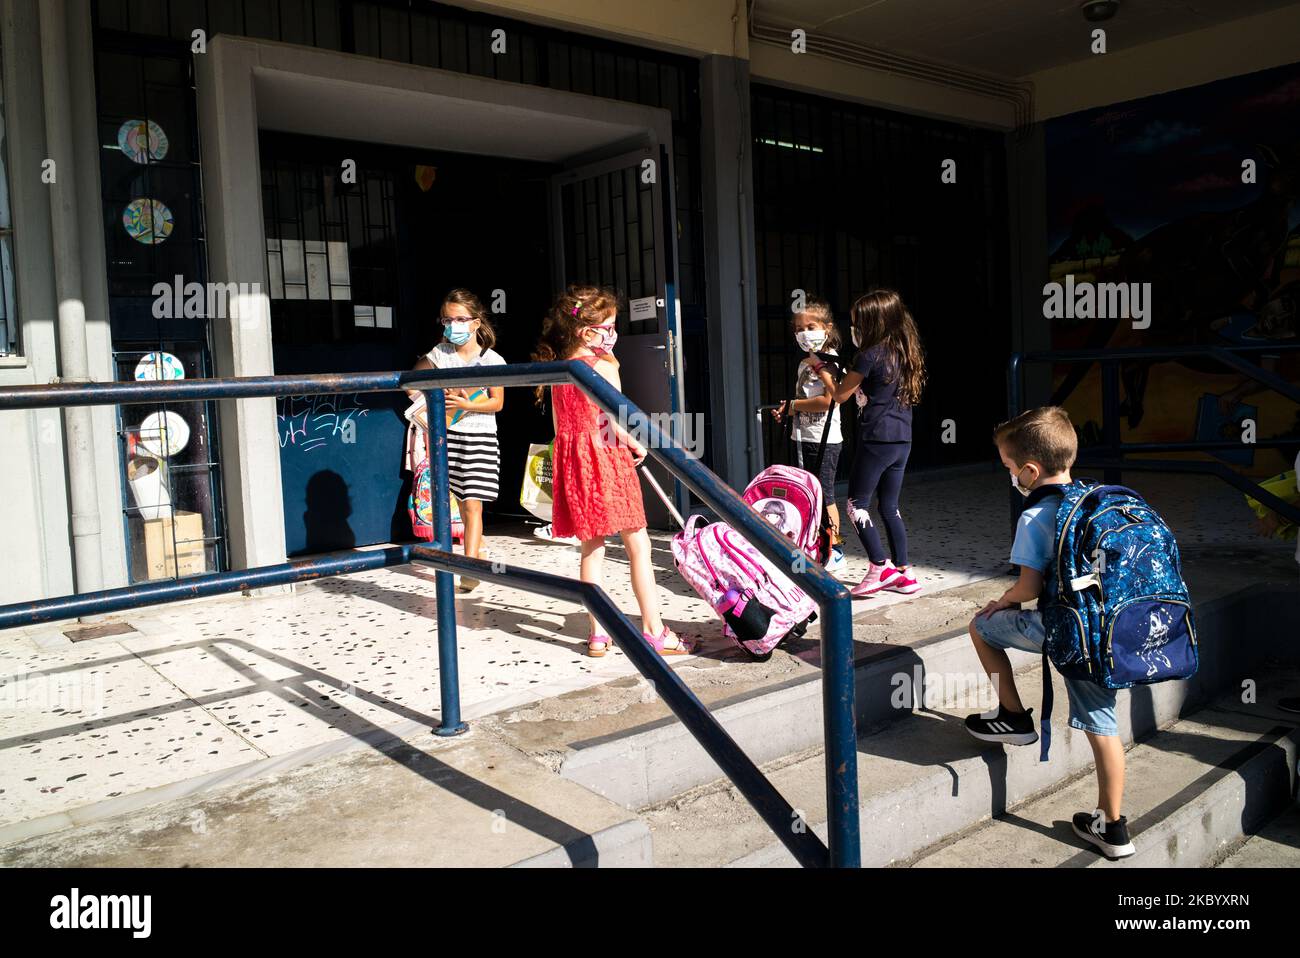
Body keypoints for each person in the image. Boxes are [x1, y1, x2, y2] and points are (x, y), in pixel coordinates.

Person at [965, 406, 1134, 859]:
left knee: (981, 627)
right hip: (1105, 631)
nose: (1008, 475)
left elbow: (1028, 586)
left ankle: (1014, 717)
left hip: (1065, 629)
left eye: (1007, 467)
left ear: (1029, 469)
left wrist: (1002, 601)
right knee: (1104, 726)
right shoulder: (1092, 500)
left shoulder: (1034, 515)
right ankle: (1113, 826)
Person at [532, 285, 696, 658]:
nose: (613, 333)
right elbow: (615, 419)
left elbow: (561, 428)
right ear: (585, 331)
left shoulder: (561, 368)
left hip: (576, 459)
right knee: (637, 544)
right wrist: (637, 443)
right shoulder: (603, 365)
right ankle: (654, 630)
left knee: (592, 547)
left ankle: (598, 633)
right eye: (607, 326)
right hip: (607, 456)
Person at [830, 289, 925, 596]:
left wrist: (822, 370)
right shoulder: (903, 352)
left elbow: (839, 395)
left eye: (858, 322)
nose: (854, 327)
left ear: (873, 323)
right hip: (902, 439)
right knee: (890, 507)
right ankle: (903, 572)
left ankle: (877, 566)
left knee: (856, 504)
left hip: (876, 439)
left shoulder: (868, 355)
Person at [409, 288, 504, 593]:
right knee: (462, 503)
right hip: (449, 437)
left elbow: (496, 403)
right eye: (448, 320)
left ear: (477, 322)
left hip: (480, 437)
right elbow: (409, 381)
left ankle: (470, 567)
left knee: (473, 505)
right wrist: (434, 394)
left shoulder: (492, 360)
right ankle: (478, 551)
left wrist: (467, 404)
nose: (453, 326)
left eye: (460, 319)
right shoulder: (440, 355)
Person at [771, 296, 846, 573]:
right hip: (802, 438)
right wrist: (788, 410)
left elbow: (829, 400)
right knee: (806, 493)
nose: (804, 333)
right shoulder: (805, 364)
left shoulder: (832, 362)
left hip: (824, 440)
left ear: (826, 328)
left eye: (810, 326)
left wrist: (794, 406)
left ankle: (835, 547)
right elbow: (801, 399)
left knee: (825, 496)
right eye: (799, 329)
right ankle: (814, 542)